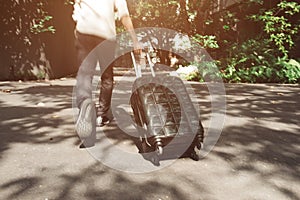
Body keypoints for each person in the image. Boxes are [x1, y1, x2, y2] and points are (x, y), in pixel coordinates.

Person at [72, 0, 141, 148]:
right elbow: (124, 15)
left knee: (85, 74)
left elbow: (76, 8)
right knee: (107, 77)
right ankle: (101, 116)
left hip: (84, 32)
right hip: (106, 36)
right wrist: (135, 40)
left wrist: (78, 23)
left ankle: (85, 102)